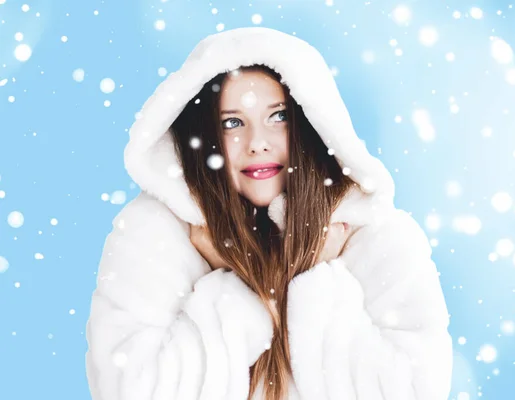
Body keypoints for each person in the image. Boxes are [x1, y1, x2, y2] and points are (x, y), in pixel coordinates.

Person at [85, 26, 453, 400]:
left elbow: (415, 390)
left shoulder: (375, 236)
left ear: (310, 125)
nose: (257, 143)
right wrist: (250, 284)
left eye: (277, 117)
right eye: (232, 123)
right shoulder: (154, 236)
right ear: (205, 137)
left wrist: (306, 274)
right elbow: (130, 391)